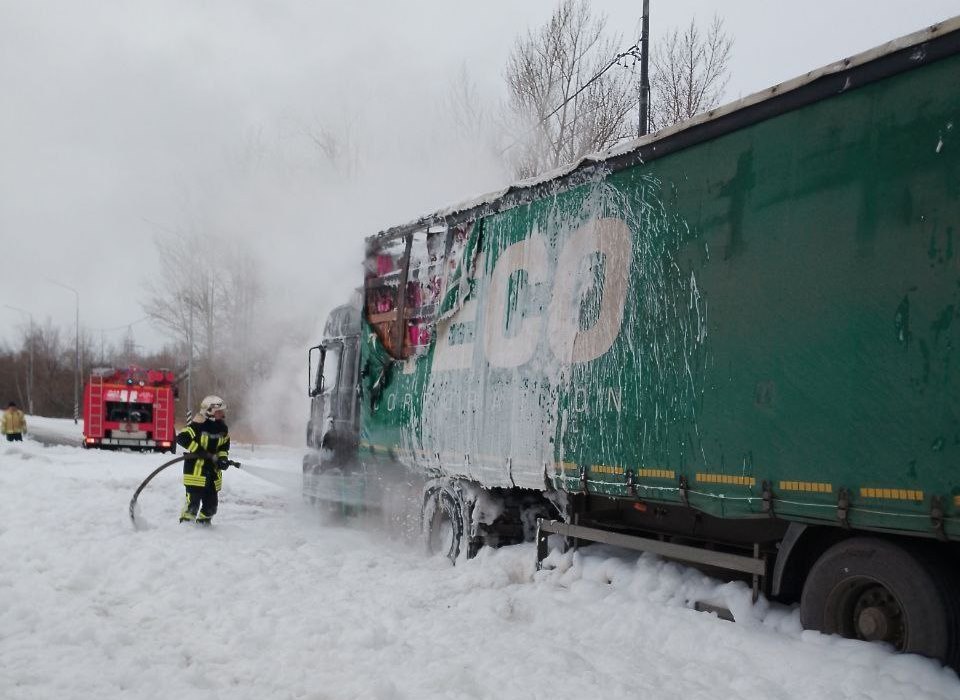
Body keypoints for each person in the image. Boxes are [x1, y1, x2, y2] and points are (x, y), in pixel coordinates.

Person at [175, 395, 233, 525]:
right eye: (219, 411)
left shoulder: (223, 429)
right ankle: (186, 527)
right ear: (209, 412)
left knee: (211, 506)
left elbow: (224, 446)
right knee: (193, 504)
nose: (222, 414)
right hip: (196, 472)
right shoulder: (198, 426)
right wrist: (199, 451)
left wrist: (223, 458)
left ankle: (203, 527)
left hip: (212, 472)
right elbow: (182, 438)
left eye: (222, 411)